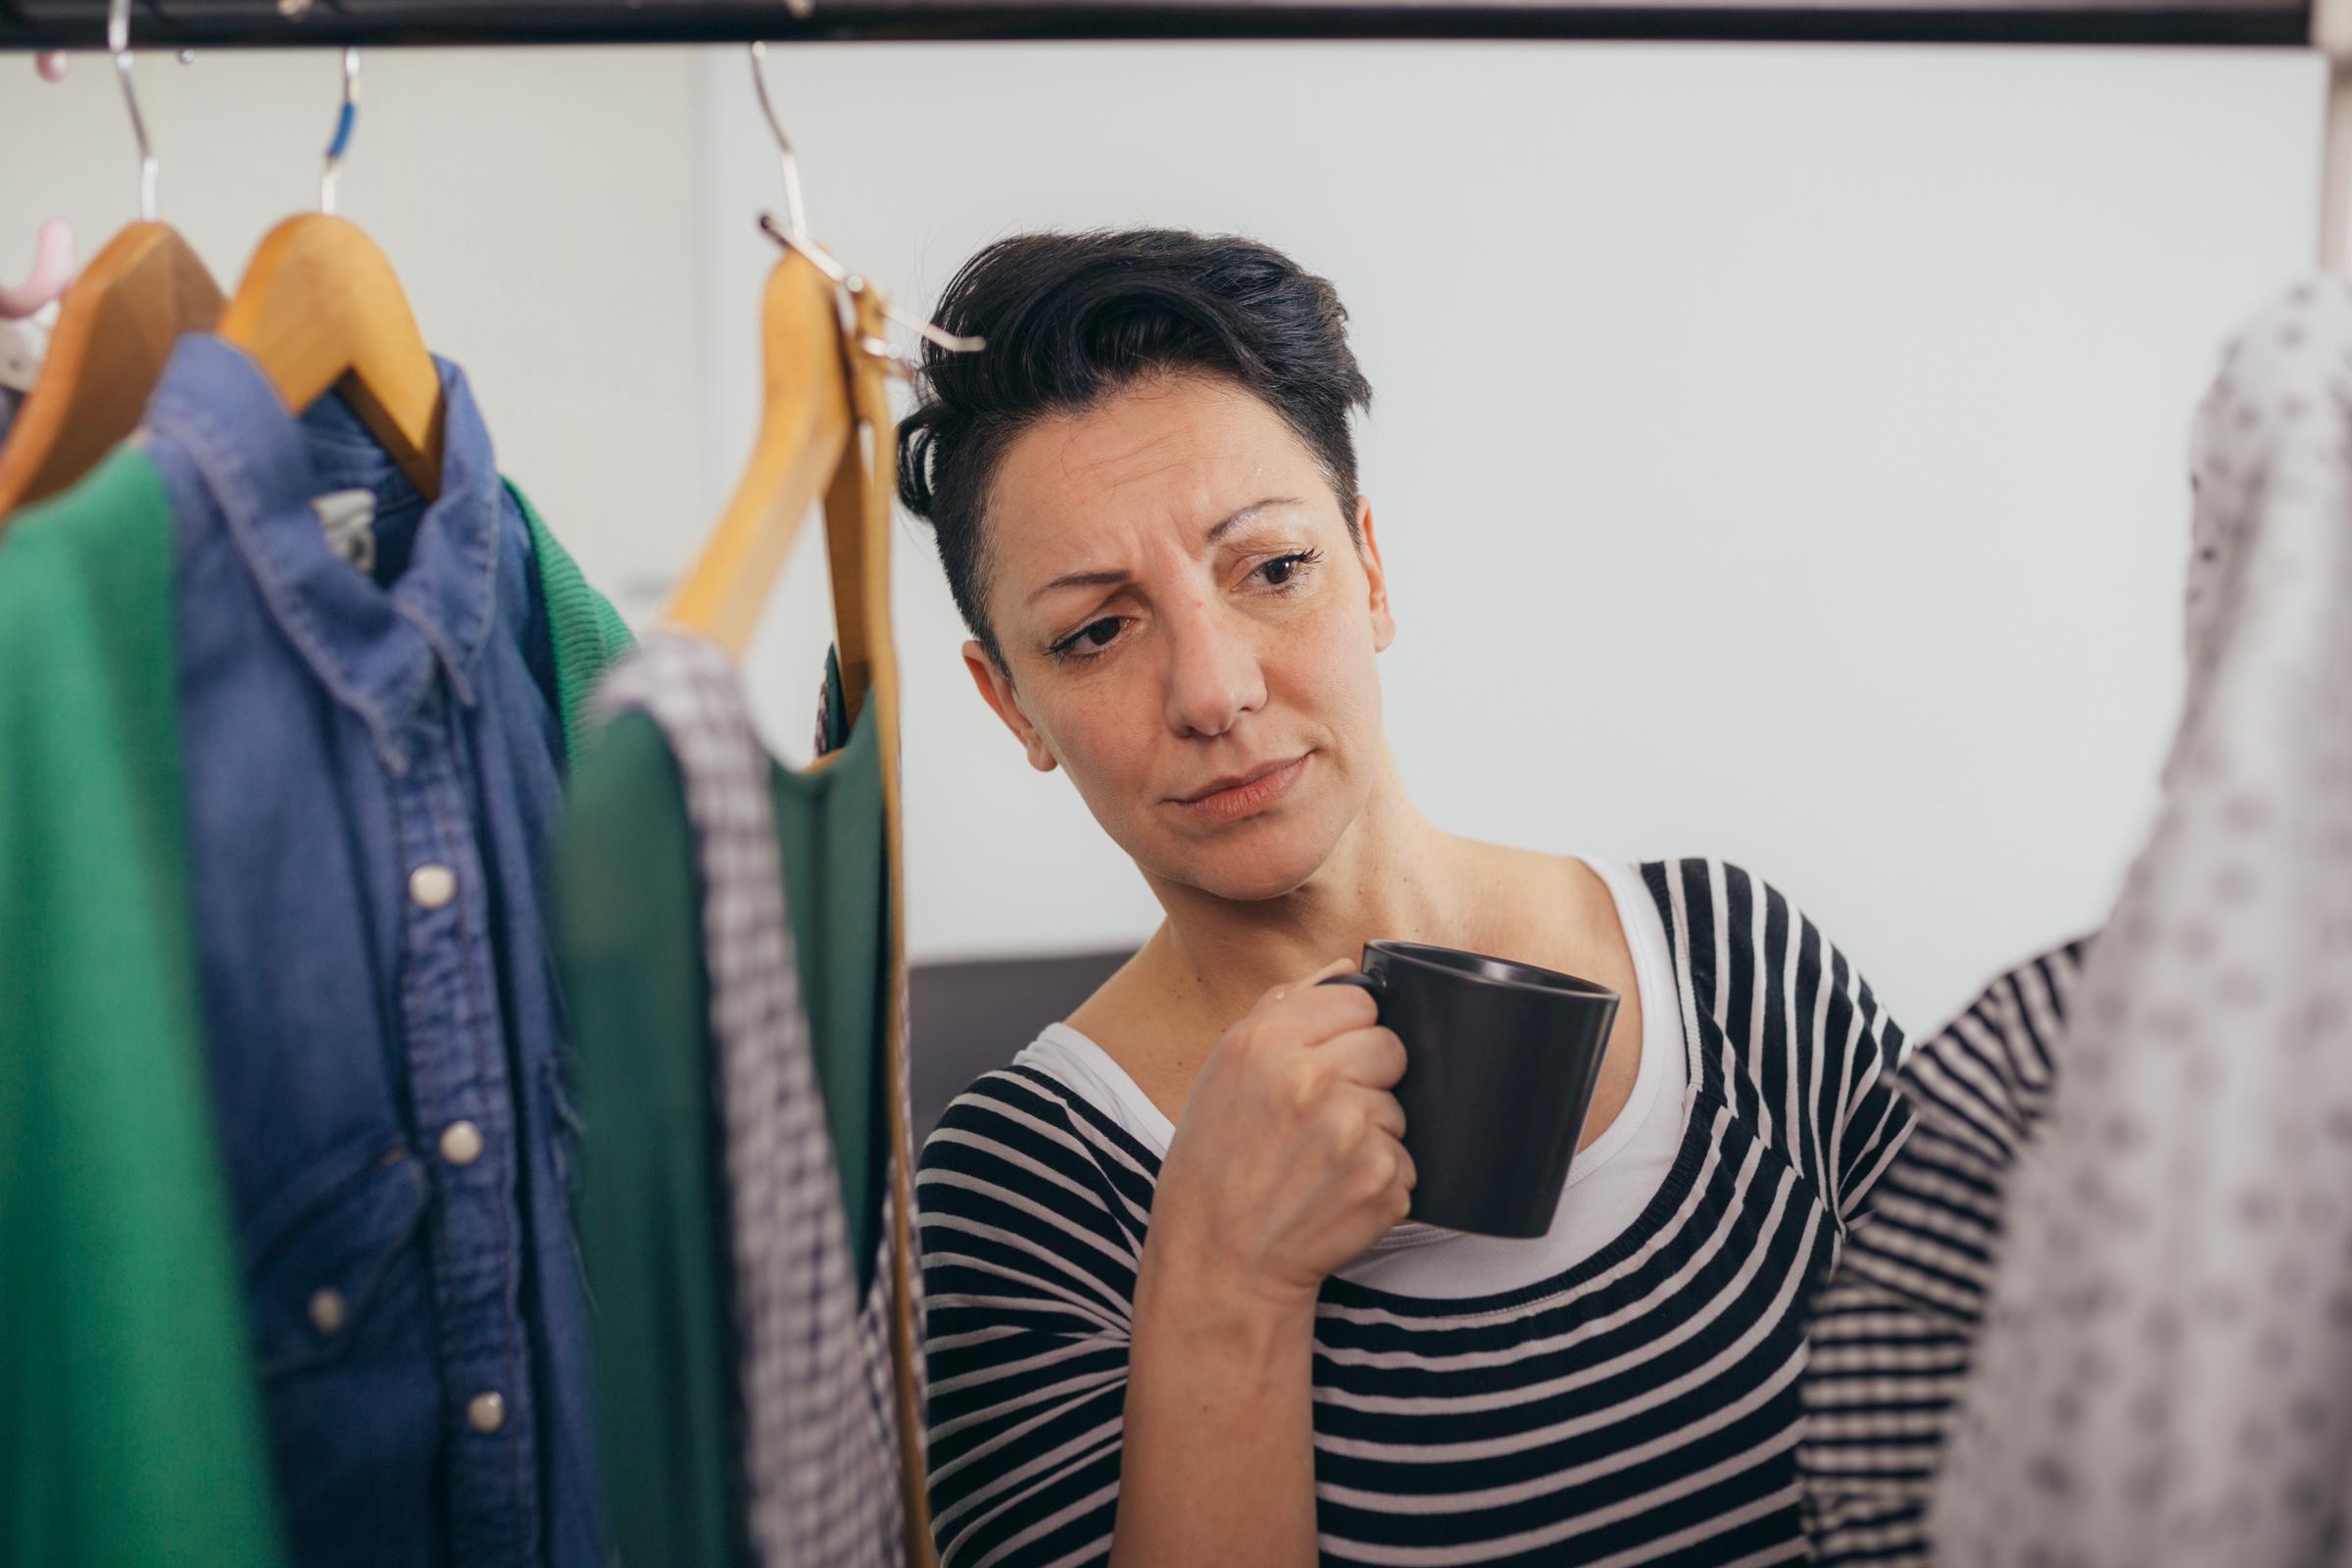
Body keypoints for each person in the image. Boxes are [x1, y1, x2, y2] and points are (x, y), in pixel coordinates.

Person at [899, 228, 1912, 1565]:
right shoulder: (1013, 1200)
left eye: (1272, 569)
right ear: (1010, 702)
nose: (1215, 693)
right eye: (1097, 630)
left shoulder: (1735, 963)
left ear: (1370, 571)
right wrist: (1223, 1278)